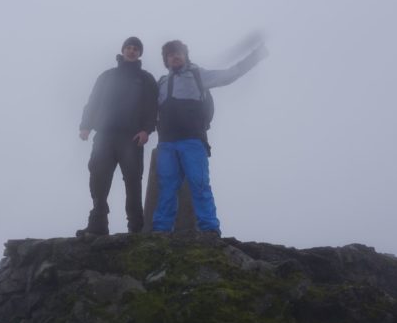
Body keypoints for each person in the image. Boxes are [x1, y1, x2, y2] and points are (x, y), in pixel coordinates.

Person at [152, 39, 267, 235]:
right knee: (167, 187)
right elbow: (146, 107)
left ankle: (210, 229)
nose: (175, 56)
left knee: (199, 184)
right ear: (166, 60)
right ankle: (161, 231)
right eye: (170, 54)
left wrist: (256, 55)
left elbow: (231, 74)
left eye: (179, 52)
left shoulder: (199, 75)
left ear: (185, 55)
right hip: (167, 143)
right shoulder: (161, 83)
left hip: (193, 140)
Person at [78, 37, 159, 235]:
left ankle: (136, 227)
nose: (131, 51)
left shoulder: (146, 79)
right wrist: (85, 126)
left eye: (136, 49)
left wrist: (146, 130)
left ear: (140, 53)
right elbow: (93, 101)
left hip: (132, 138)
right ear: (122, 51)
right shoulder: (107, 76)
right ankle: (97, 224)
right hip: (104, 135)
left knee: (133, 182)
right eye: (128, 48)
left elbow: (152, 108)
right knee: (98, 178)